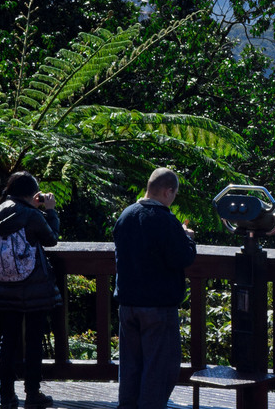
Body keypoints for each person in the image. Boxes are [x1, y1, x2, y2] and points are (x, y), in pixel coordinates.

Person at [113, 167, 197, 409]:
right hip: (157, 307)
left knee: (131, 366)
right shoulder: (165, 221)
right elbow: (183, 258)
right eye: (174, 193)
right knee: (159, 368)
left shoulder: (126, 215)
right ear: (168, 191)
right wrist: (187, 238)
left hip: (128, 304)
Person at [0, 171, 62, 409]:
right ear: (33, 193)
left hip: (3, 287)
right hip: (33, 287)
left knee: (8, 341)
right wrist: (50, 210)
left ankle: (6, 396)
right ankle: (32, 393)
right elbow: (52, 239)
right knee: (33, 340)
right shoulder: (32, 216)